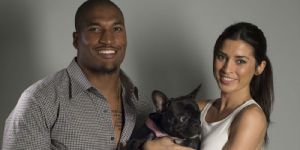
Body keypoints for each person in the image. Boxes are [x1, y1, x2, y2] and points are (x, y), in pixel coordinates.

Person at [2, 1, 195, 149]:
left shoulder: (143, 105)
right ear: (76, 40)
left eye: (116, 29)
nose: (108, 39)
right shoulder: (39, 101)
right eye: (95, 29)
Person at [198, 22, 274, 150]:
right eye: (221, 57)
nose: (227, 69)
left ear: (260, 67)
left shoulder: (251, 117)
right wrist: (151, 145)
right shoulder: (199, 108)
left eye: (240, 61)